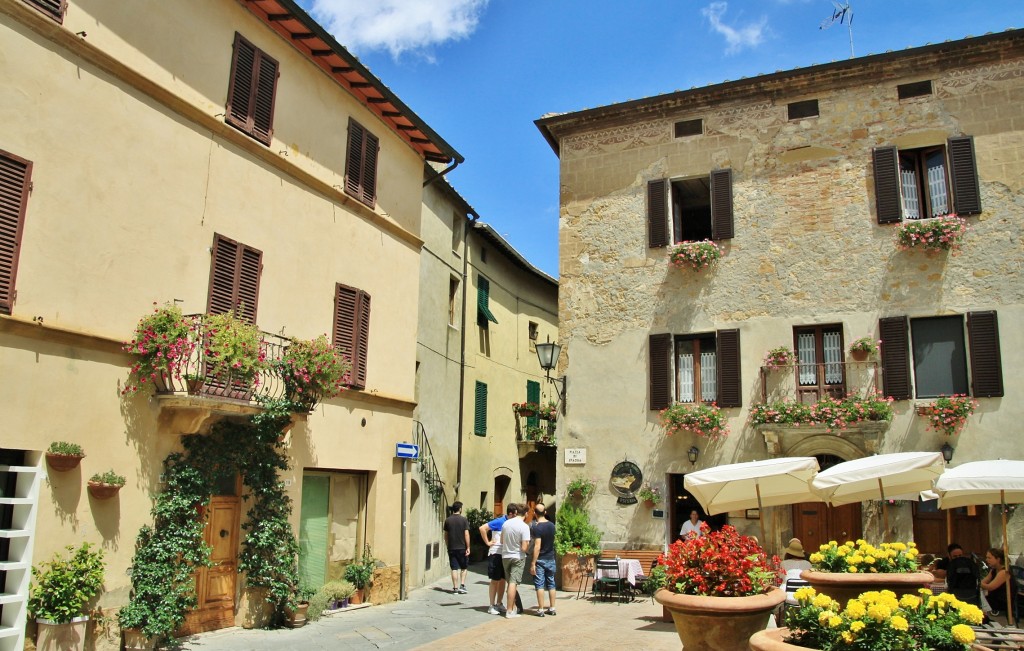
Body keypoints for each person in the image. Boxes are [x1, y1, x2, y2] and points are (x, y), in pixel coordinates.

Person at [500, 502, 532, 618]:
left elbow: (502, 541)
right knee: (513, 583)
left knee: (510, 582)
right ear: (526, 513)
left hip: (505, 555)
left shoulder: (506, 524)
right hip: (518, 556)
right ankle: (509, 610)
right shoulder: (524, 526)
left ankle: (512, 608)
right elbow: (524, 548)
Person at [480, 505, 511, 615]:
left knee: (502, 579)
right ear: (511, 514)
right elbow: (482, 528)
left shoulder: (510, 523)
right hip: (496, 553)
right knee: (495, 580)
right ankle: (491, 605)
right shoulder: (499, 521)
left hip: (505, 554)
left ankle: (499, 603)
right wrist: (488, 542)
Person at [529, 503, 557, 617]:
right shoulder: (552, 525)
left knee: (539, 584)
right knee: (551, 583)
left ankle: (540, 609)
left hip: (540, 559)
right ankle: (552, 607)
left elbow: (537, 546)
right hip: (551, 557)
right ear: (545, 512)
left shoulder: (536, 527)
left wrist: (533, 563)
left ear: (535, 513)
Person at [980, 547, 1018, 625]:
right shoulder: (993, 570)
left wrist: (978, 583)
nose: (987, 560)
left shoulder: (1004, 572)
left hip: (1002, 602)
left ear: (998, 559)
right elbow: (984, 581)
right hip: (993, 598)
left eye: (989, 558)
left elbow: (991, 586)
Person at [443, 501, 470, 594]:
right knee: (464, 567)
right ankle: (462, 585)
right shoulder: (464, 520)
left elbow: (445, 535)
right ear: (460, 509)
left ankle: (455, 588)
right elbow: (466, 534)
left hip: (452, 547)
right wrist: (468, 547)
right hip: (462, 547)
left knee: (454, 568)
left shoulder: (448, 520)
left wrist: (447, 544)